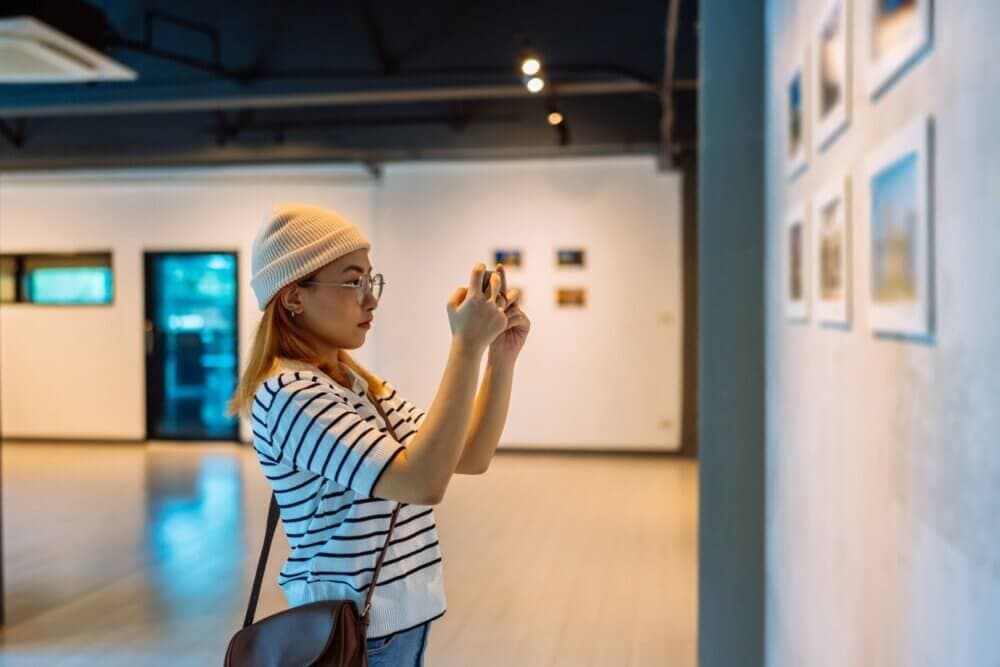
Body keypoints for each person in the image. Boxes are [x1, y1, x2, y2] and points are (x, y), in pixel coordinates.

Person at [227, 203, 531, 665]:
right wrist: (466, 345)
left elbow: (468, 455)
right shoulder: (289, 392)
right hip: (353, 632)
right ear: (293, 298)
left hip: (394, 623)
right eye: (353, 283)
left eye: (371, 281)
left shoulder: (352, 383)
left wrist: (500, 357)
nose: (371, 299)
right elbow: (421, 482)